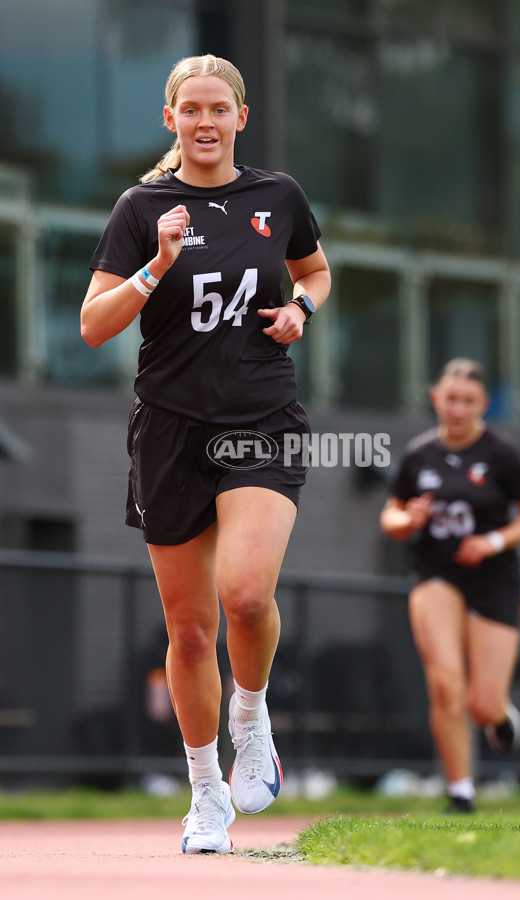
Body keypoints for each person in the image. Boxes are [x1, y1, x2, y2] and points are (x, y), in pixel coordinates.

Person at [81, 54, 330, 852]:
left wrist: (300, 309)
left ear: (240, 118)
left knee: (247, 595)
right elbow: (93, 325)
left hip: (260, 416)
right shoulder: (141, 207)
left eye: (219, 108)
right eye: (190, 109)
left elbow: (315, 270)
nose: (205, 122)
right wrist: (156, 266)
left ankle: (250, 719)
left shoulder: (278, 196)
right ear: (171, 120)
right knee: (190, 632)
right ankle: (205, 794)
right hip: (169, 429)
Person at [379, 359, 520, 813]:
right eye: (450, 399)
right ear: (436, 398)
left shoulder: (502, 453)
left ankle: (498, 712)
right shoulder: (419, 454)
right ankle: (460, 792)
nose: (457, 409)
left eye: (468, 401)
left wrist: (492, 541)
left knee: (481, 705)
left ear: (483, 405)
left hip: (494, 578)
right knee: (444, 683)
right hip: (436, 571)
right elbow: (391, 516)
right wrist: (407, 519)